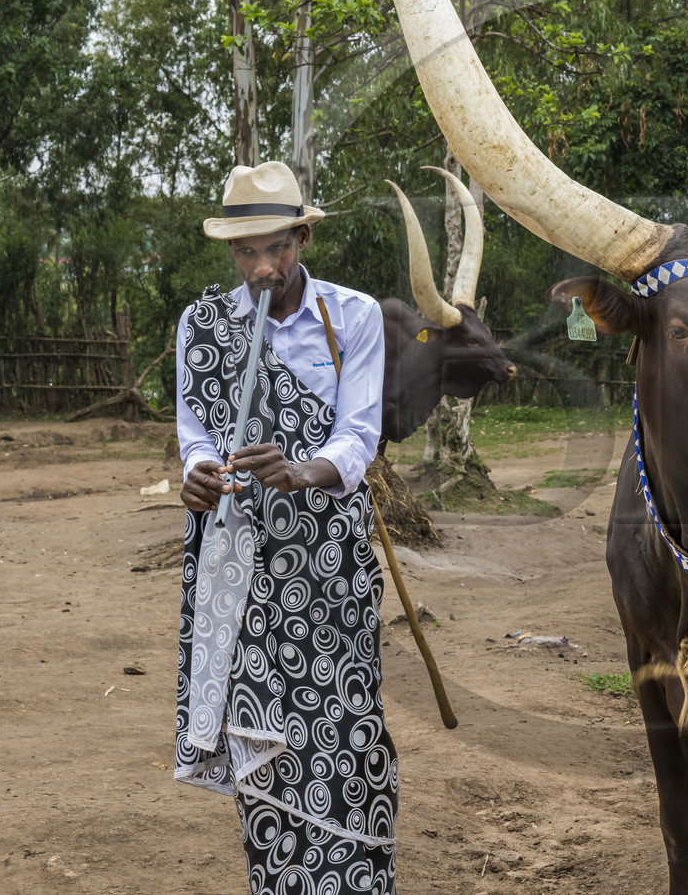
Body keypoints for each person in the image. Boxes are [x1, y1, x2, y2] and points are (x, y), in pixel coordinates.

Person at [173, 161, 395, 894]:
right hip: (240, 566)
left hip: (329, 568)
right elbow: (195, 432)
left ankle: (353, 881)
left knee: (343, 726)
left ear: (303, 238)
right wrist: (198, 473)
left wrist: (301, 471)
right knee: (259, 729)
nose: (263, 267)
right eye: (247, 252)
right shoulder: (204, 326)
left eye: (277, 247)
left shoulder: (353, 316)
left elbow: (359, 435)